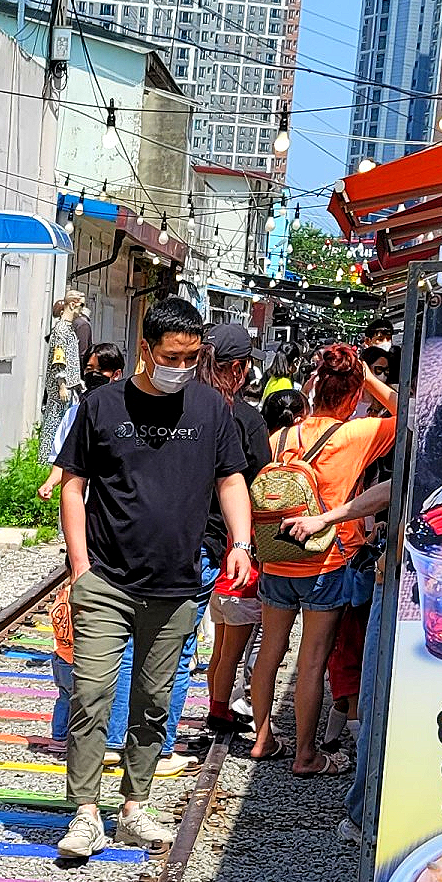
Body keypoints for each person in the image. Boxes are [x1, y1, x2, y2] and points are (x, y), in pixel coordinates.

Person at [52, 295, 255, 860]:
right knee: (91, 695)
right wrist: (80, 566)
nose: (182, 367)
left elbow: (231, 480)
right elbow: (73, 484)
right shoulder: (101, 405)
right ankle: (85, 812)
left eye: (192, 357)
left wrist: (241, 543)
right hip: (107, 578)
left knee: (153, 700)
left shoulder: (211, 409)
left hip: (177, 583)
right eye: (173, 355)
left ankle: (135, 806)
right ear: (146, 349)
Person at [247, 341, 397, 776]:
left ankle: (262, 738)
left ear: (313, 389)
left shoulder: (283, 434)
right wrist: (370, 379)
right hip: (325, 558)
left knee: (270, 651)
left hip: (275, 555)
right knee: (312, 660)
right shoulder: (359, 433)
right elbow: (414, 416)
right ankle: (306, 755)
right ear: (354, 394)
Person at [189, 320, 271, 751]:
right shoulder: (246, 420)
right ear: (239, 369)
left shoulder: (182, 405)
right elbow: (261, 481)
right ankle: (218, 714)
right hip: (231, 544)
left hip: (179, 533)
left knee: (205, 640)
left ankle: (216, 708)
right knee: (230, 642)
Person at [38, 345, 124, 503]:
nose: (94, 374)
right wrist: (49, 483)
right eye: (89, 369)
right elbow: (65, 458)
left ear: (116, 374)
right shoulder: (74, 413)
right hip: (76, 501)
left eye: (101, 369)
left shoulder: (125, 415)